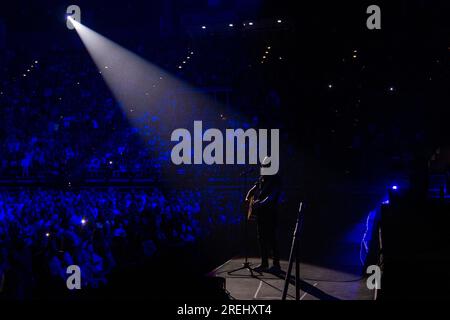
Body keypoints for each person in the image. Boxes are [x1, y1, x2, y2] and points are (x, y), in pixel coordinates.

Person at [245, 156, 281, 272]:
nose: (262, 167)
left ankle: (276, 265)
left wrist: (260, 203)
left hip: (270, 213)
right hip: (261, 214)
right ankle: (264, 263)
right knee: (261, 238)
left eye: (265, 165)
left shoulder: (275, 179)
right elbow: (253, 189)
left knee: (272, 238)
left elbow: (272, 196)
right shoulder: (262, 178)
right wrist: (247, 198)